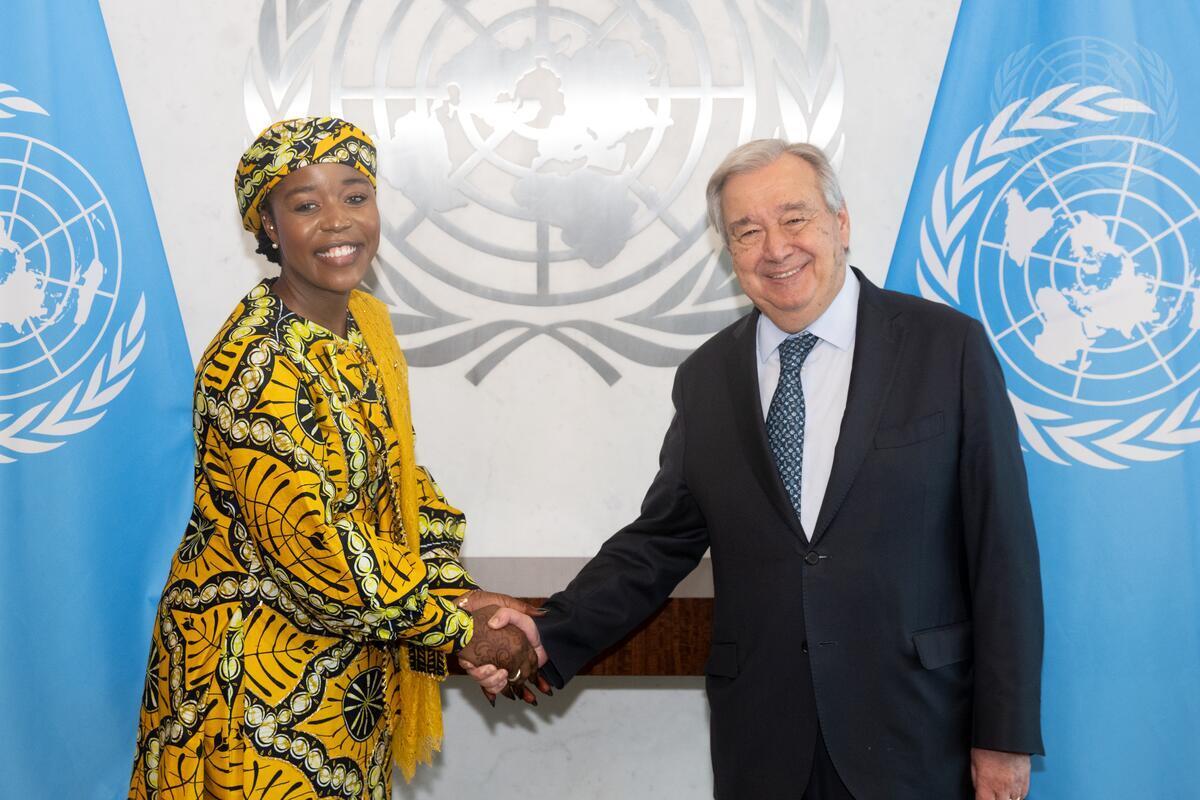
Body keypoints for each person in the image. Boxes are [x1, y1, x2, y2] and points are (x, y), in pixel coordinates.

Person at [470, 140, 1044, 799]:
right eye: (748, 230)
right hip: (766, 743)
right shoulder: (709, 376)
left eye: (794, 218)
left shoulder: (947, 348)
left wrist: (1002, 737)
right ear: (729, 251)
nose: (776, 247)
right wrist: (547, 634)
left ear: (841, 222)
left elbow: (1002, 556)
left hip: (916, 734)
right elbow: (659, 542)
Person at [128, 116, 536, 800]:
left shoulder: (361, 325)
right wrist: (462, 628)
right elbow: (315, 553)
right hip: (255, 705)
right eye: (306, 204)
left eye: (354, 195)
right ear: (268, 226)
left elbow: (400, 483)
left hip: (346, 689)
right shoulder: (257, 365)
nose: (338, 222)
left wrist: (456, 592)